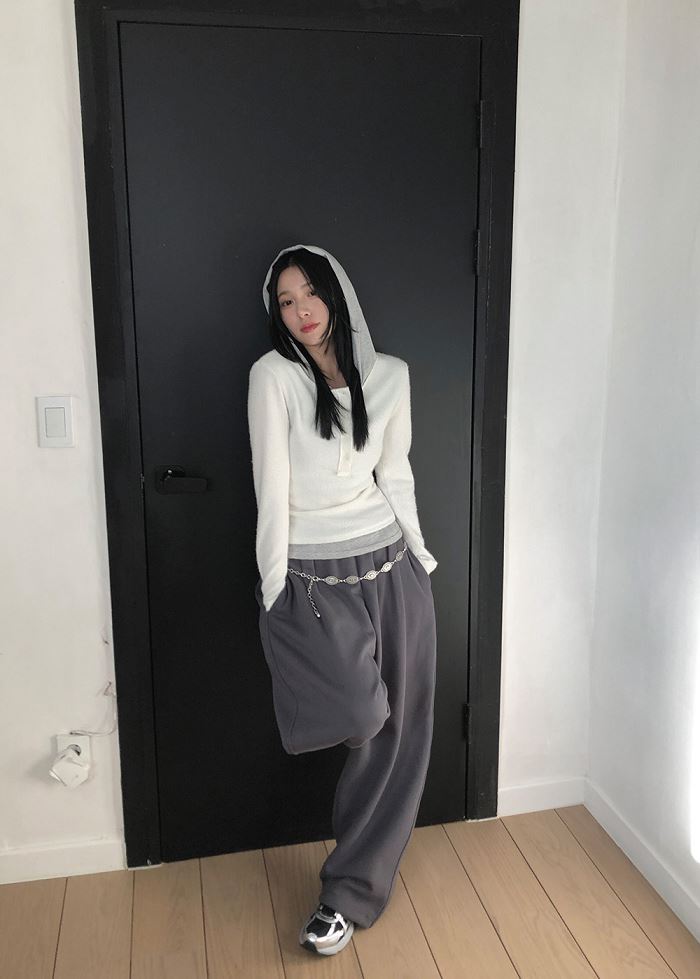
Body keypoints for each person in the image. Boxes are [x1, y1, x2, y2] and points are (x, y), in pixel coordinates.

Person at [247, 243, 438, 956]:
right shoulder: (273, 378)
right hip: (312, 577)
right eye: (286, 300)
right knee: (364, 714)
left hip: (392, 565)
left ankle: (348, 894)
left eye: (310, 294)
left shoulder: (392, 377)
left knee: (401, 734)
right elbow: (271, 489)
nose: (300, 310)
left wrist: (420, 554)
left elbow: (397, 473)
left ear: (335, 294)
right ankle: (353, 872)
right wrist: (274, 586)